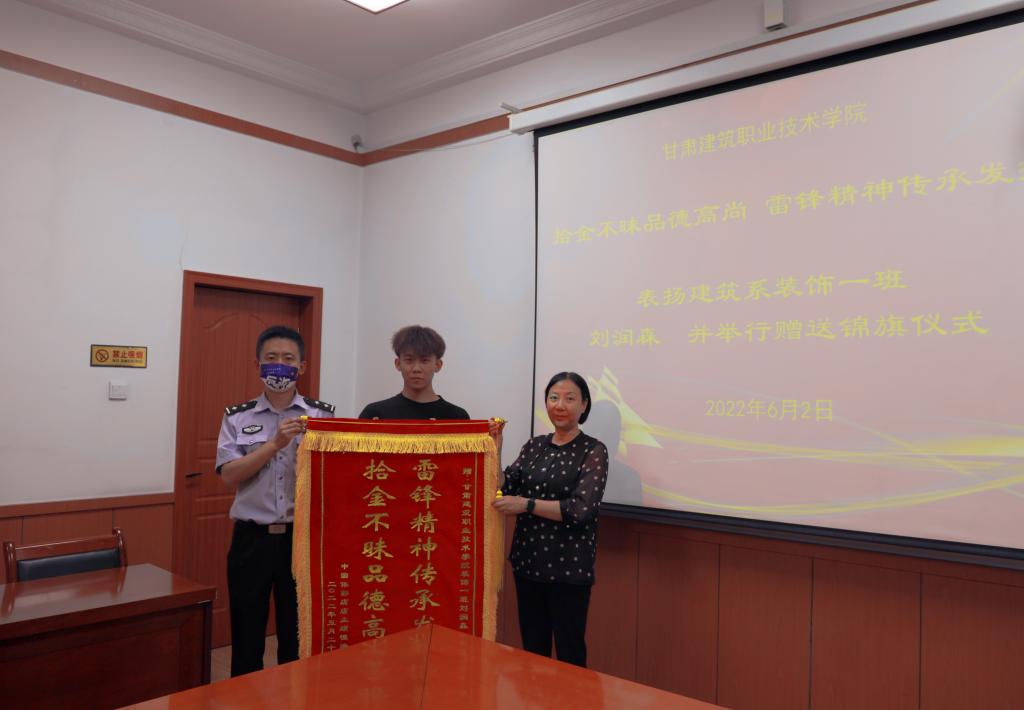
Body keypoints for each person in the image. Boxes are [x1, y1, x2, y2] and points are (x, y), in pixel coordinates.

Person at [215, 325, 335, 677]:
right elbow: (229, 475)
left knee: (297, 639)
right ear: (258, 365)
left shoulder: (322, 416)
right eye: (271, 358)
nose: (279, 365)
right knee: (247, 636)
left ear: (302, 366)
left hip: (301, 540)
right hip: (251, 539)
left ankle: (294, 698)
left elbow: (335, 477)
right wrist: (273, 445)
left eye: (288, 358)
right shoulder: (237, 416)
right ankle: (243, 698)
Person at [491, 372, 608, 667]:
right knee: (533, 653)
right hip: (527, 564)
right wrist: (496, 448)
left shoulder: (594, 450)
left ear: (584, 405)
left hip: (568, 570)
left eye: (570, 398)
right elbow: (504, 487)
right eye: (554, 398)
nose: (560, 405)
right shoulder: (535, 446)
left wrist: (527, 505)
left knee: (570, 655)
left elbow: (580, 509)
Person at [358, 325, 469, 420]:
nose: (416, 369)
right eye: (409, 360)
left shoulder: (457, 417)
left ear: (438, 365)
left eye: (424, 360)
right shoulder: (375, 414)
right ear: (398, 364)